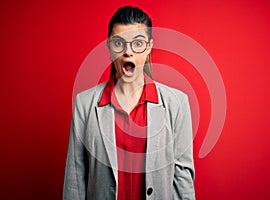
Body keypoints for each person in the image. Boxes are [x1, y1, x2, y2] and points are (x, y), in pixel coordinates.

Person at [63, 6, 195, 200]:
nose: (128, 52)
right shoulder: (84, 104)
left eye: (138, 43)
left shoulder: (177, 103)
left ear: (149, 47)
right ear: (109, 47)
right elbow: (75, 180)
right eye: (118, 43)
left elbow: (183, 180)